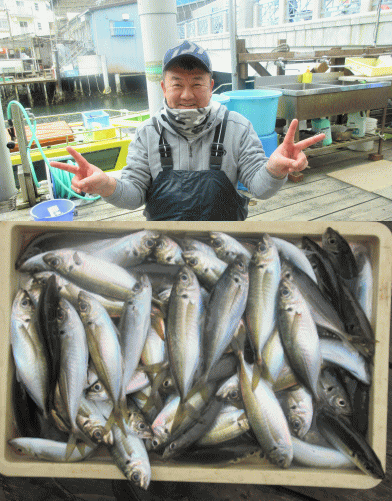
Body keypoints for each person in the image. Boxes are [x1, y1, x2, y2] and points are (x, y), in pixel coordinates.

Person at [50, 40, 325, 221]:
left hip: (225, 245)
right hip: (164, 248)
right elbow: (133, 195)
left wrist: (275, 170)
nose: (186, 95)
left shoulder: (238, 128)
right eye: (177, 84)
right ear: (163, 88)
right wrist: (107, 186)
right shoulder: (147, 133)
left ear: (211, 85)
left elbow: (259, 188)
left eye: (197, 84)